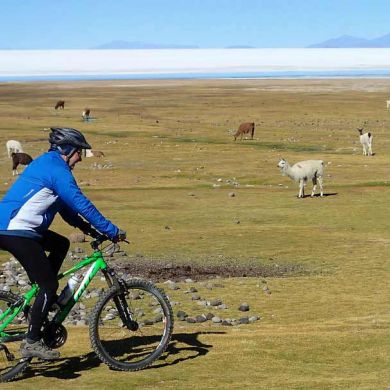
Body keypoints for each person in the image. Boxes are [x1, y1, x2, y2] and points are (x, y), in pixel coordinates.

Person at [0, 127, 126, 360]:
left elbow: (66, 209)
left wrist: (87, 229)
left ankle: (42, 293)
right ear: (67, 150)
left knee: (60, 245)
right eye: (79, 152)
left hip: (17, 229)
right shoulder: (58, 170)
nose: (80, 157)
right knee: (49, 286)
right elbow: (81, 203)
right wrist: (111, 230)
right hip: (16, 231)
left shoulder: (47, 164)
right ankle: (31, 342)